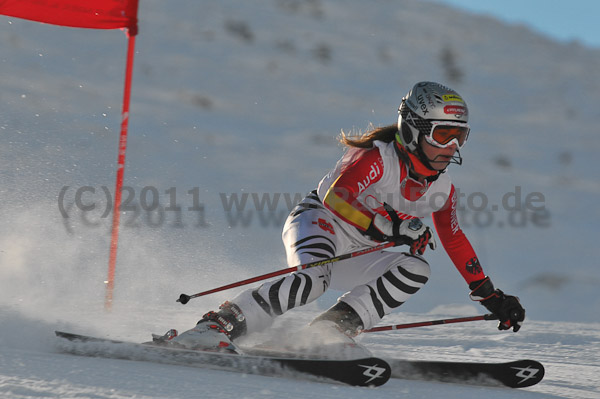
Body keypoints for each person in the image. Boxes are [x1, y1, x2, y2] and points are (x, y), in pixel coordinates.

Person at [167, 81, 525, 353]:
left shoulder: (443, 189)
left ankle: (328, 333)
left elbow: (455, 240)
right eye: (443, 134)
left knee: (416, 269)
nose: (452, 147)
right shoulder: (377, 157)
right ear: (414, 129)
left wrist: (490, 296)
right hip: (322, 223)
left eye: (459, 136)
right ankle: (217, 327)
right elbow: (335, 197)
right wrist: (389, 225)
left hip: (360, 250)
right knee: (311, 282)